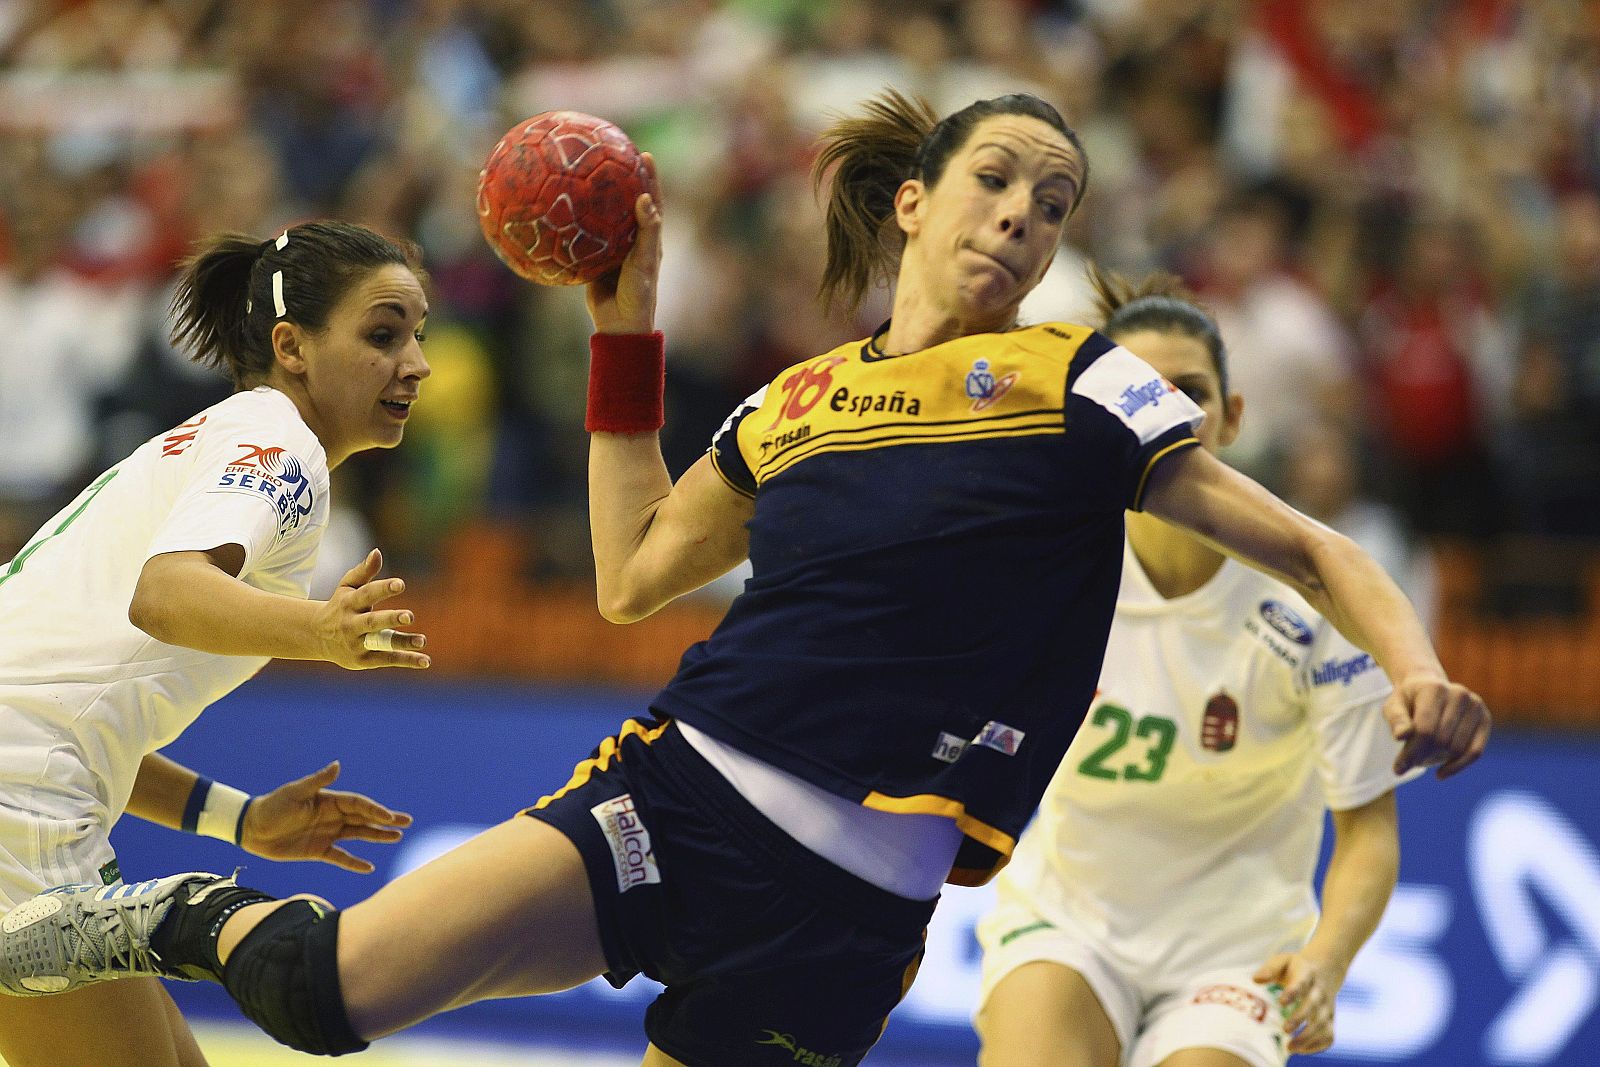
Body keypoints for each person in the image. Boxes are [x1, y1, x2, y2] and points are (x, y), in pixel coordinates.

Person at [0, 92, 1488, 1067]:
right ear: (913, 201)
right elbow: (635, 572)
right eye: (995, 176)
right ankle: (172, 910)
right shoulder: (803, 398)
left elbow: (1316, 543)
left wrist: (1414, 666)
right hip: (685, 790)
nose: (1026, 210)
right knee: (327, 998)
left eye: (1057, 196)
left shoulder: (1084, 386)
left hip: (858, 908)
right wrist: (625, 330)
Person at [0, 220, 432, 1067]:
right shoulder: (281, 450)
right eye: (384, 334)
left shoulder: (222, 438)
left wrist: (240, 819)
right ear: (291, 346)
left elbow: (73, 713)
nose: (415, 363)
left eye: (420, 335)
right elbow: (165, 596)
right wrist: (326, 631)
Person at [974, 269, 1429, 1067]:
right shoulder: (1042, 567)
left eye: (1189, 391)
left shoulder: (1314, 592)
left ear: (1232, 415)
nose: (1165, 414)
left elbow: (1368, 829)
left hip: (1236, 952)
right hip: (1070, 919)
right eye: (1137, 394)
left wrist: (1326, 959)